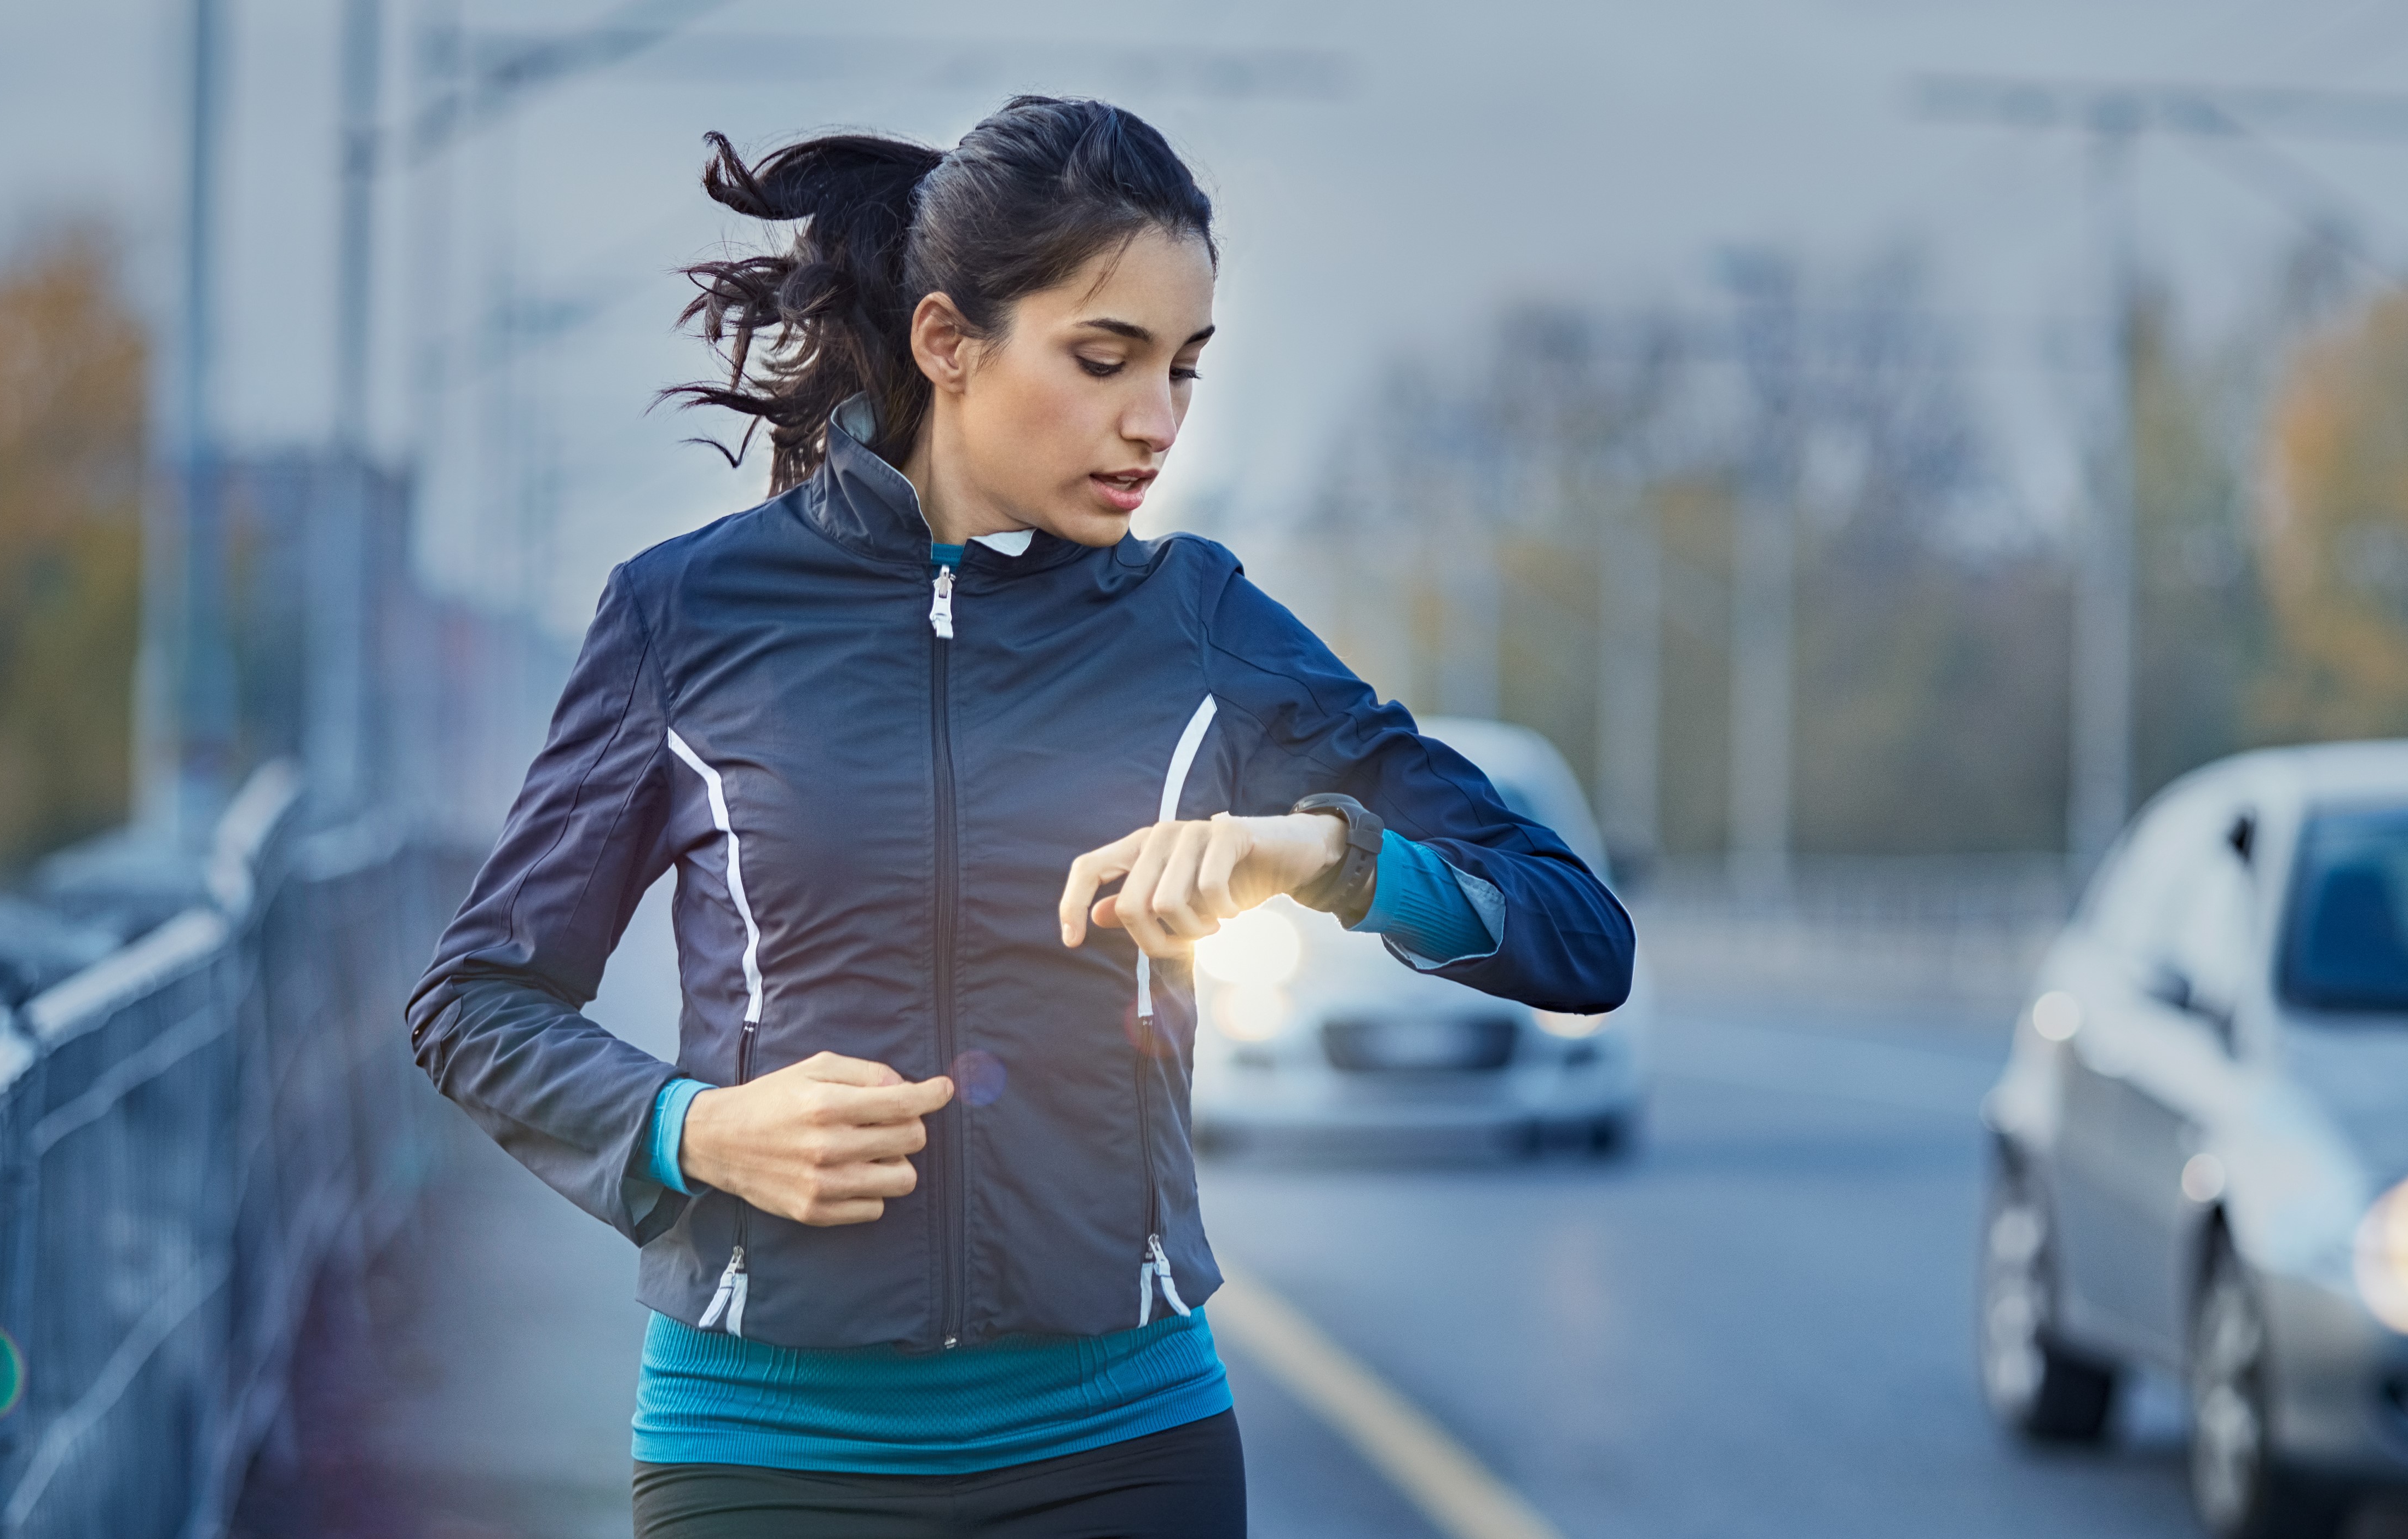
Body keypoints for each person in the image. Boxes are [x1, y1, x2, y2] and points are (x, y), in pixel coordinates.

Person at [405, 95, 1635, 1539]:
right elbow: (475, 1001)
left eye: (1185, 368)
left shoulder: (1203, 629)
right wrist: (695, 1130)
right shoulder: (688, 615)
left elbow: (1578, 935)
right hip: (762, 1443)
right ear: (948, 343)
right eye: (1105, 360)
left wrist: (1318, 855)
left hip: (1123, 1445)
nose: (1158, 421)